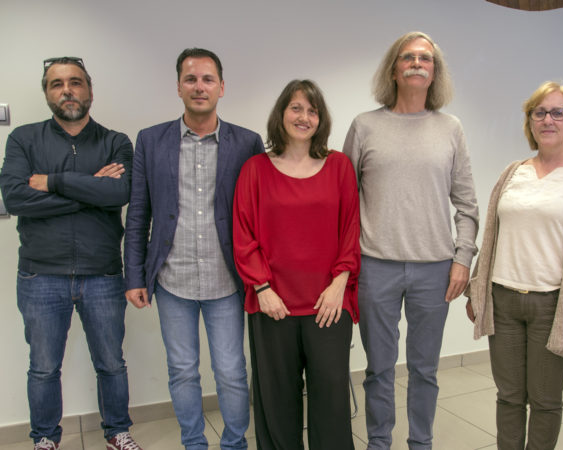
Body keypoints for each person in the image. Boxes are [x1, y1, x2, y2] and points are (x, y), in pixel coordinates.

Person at [343, 31, 479, 449]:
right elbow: (344, 200)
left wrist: (462, 259)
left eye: (425, 58)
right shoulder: (365, 126)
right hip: (375, 266)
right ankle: (378, 442)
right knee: (379, 369)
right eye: (408, 57)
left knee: (424, 369)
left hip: (434, 269)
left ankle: (421, 442)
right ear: (394, 69)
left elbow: (467, 204)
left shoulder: (450, 128)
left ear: (435, 72)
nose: (417, 63)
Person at [123, 48, 264, 450]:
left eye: (207, 79)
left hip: (227, 281)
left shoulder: (247, 142)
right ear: (179, 87)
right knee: (183, 371)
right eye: (191, 79)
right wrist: (134, 276)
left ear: (221, 87)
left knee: (231, 372)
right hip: (173, 281)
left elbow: (259, 217)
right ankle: (194, 444)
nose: (199, 87)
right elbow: (139, 214)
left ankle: (234, 444)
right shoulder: (151, 141)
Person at [0, 57, 141, 450]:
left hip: (103, 273)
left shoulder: (115, 142)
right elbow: (16, 198)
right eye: (57, 84)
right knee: (44, 368)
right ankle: (45, 438)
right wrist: (90, 189)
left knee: (111, 363)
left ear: (89, 89)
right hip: (40, 275)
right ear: (47, 93)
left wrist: (54, 182)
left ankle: (117, 432)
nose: (67, 91)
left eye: (75, 82)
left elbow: (119, 193)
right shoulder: (24, 140)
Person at [465, 81, 563, 449]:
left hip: (552, 306)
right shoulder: (513, 171)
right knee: (509, 396)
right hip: (503, 300)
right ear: (530, 121)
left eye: (558, 112)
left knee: (545, 400)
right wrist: (476, 288)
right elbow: (493, 236)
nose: (548, 120)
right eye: (540, 112)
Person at [233, 79, 360, 450]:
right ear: (281, 114)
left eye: (312, 110)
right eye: (296, 108)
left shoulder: (339, 166)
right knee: (276, 400)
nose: (304, 117)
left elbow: (351, 229)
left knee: (331, 399)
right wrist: (262, 288)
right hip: (273, 304)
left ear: (321, 119)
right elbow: (243, 234)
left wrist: (339, 285)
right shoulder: (255, 169)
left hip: (328, 303)